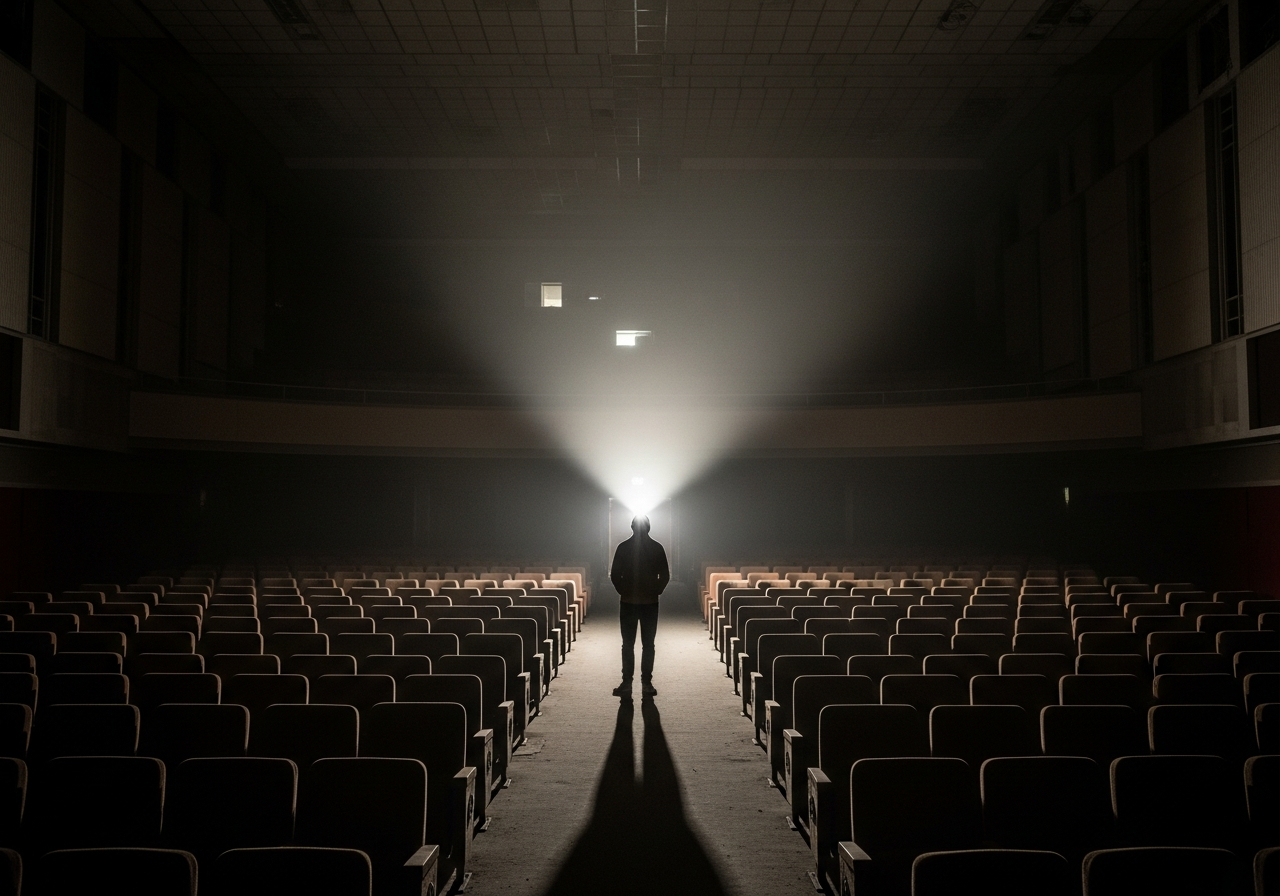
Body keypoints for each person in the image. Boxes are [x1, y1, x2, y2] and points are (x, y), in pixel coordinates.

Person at [610, 514, 670, 698]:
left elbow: (614, 575)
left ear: (632, 527)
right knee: (648, 645)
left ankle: (627, 683)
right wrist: (655, 591)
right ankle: (646, 683)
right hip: (649, 603)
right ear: (648, 527)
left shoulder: (623, 547)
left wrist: (624, 591)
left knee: (628, 644)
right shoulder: (657, 547)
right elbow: (665, 576)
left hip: (629, 602)